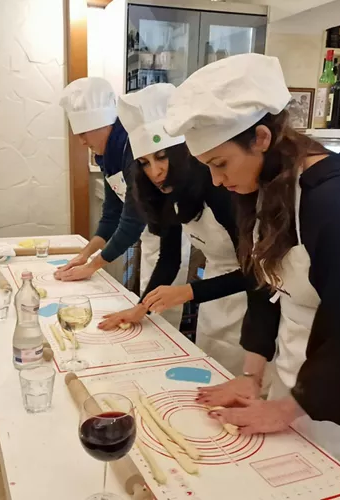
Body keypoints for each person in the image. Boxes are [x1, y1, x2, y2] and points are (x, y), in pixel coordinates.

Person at [164, 53, 340, 485]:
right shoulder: (264, 187)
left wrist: (285, 407)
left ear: (261, 137)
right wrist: (251, 377)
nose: (217, 181)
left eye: (220, 164)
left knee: (324, 484)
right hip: (299, 368)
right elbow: (266, 284)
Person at [97, 83, 249, 375]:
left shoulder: (219, 187)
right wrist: (140, 308)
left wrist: (187, 291)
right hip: (214, 296)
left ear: (183, 152)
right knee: (212, 373)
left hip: (254, 299)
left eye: (162, 157)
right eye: (145, 163)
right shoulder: (166, 192)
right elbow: (170, 259)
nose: (155, 172)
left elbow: (256, 272)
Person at [58, 77, 190, 328]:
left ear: (101, 125)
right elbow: (111, 215)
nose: (81, 141)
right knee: (148, 306)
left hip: (168, 235)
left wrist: (93, 266)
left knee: (162, 315)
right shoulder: (108, 157)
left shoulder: (134, 154)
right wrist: (85, 255)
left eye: (83, 133)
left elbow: (132, 221)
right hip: (153, 238)